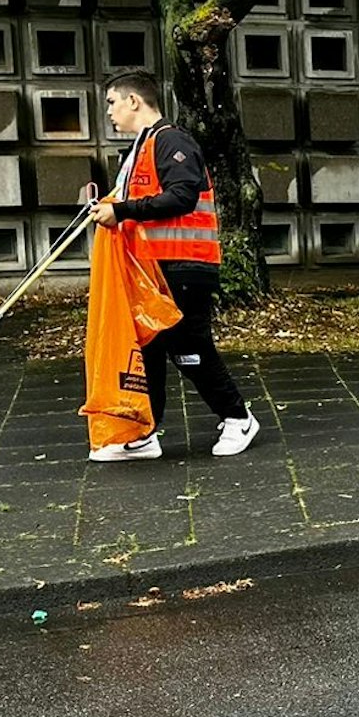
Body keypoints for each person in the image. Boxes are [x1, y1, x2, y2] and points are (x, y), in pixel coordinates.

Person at [88, 71, 259, 462]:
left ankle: (238, 417)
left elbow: (181, 197)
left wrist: (122, 210)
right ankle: (145, 432)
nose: (110, 113)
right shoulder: (142, 147)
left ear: (134, 101)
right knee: (148, 347)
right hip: (154, 268)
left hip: (183, 264)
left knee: (189, 347)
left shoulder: (170, 140)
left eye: (112, 103)